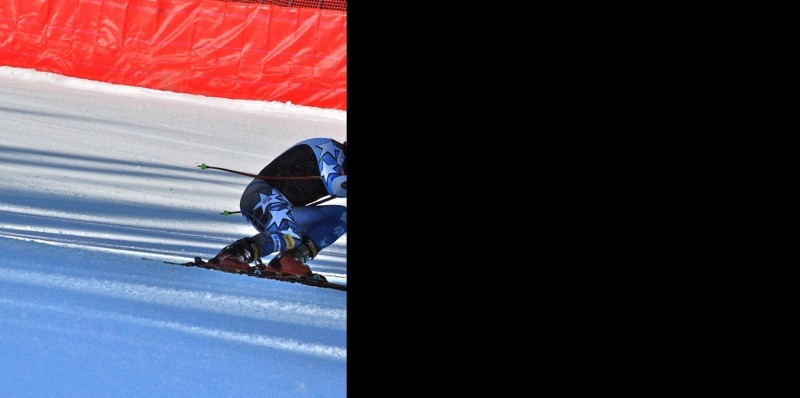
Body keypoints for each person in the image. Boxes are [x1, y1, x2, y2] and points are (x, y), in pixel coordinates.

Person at [208, 138, 347, 280]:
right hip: (263, 195)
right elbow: (336, 185)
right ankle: (231, 255)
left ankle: (288, 260)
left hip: (283, 205)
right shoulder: (330, 148)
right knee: (289, 236)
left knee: (341, 216)